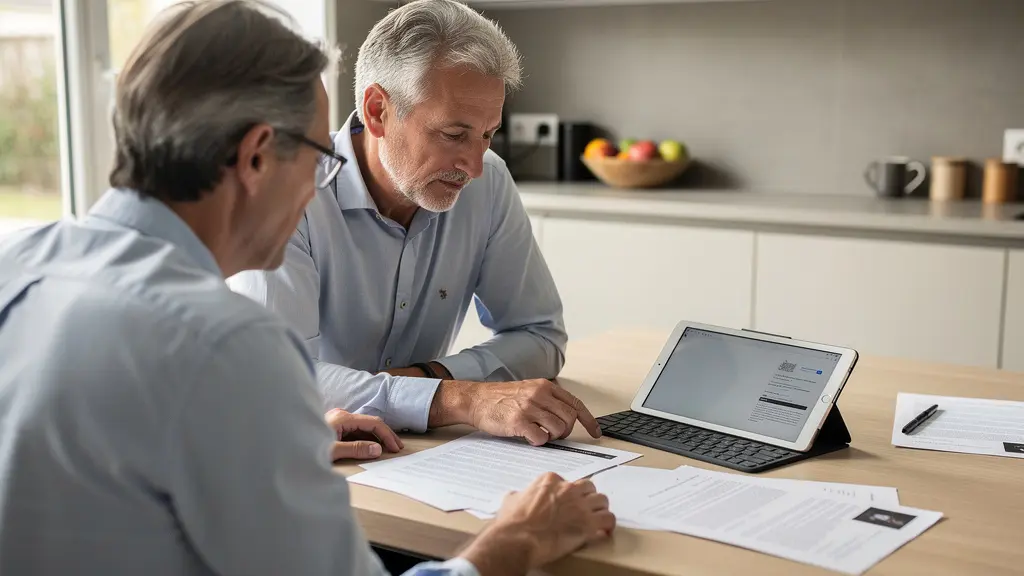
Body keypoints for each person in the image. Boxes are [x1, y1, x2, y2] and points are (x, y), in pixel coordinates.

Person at [0, 2, 615, 575]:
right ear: (257, 157)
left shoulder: (17, 265)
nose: (323, 181)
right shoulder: (229, 347)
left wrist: (263, 445)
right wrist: (517, 541)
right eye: (320, 153)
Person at [227, 0, 597, 447]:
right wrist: (456, 398)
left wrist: (430, 377)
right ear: (378, 111)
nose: (473, 166)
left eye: (487, 134)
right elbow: (274, 377)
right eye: (453, 135)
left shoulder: (489, 181)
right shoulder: (283, 194)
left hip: (415, 452)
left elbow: (540, 336)